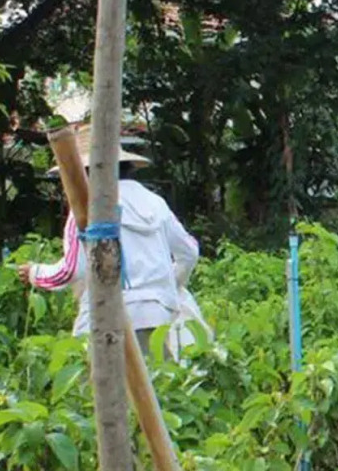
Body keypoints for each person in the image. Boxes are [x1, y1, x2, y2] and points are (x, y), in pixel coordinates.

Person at [17, 125, 201, 359]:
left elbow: (72, 270)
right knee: (158, 386)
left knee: (94, 386)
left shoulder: (86, 208)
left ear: (81, 174)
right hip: (158, 313)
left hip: (107, 315)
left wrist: (35, 273)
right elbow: (190, 252)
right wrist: (167, 286)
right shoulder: (154, 202)